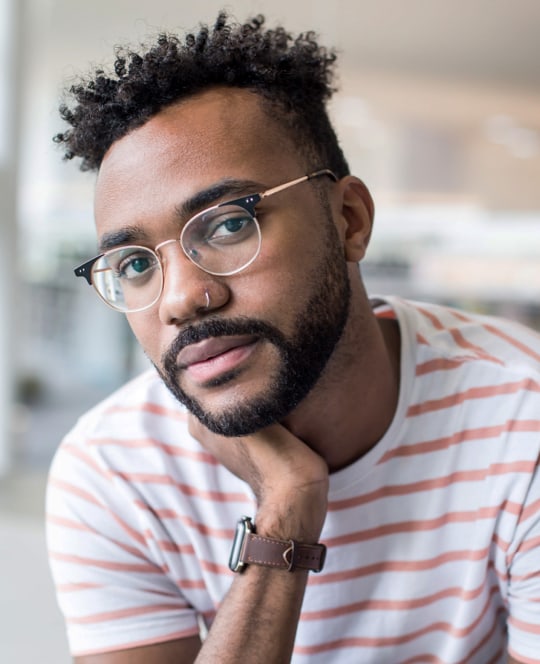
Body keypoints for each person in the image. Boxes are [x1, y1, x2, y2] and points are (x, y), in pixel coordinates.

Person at [46, 11, 540, 664]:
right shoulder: (111, 472)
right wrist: (284, 515)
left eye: (227, 226)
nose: (181, 298)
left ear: (349, 220)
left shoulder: (522, 417)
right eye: (137, 264)